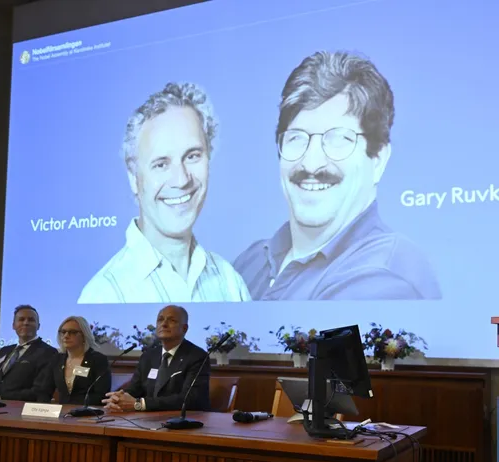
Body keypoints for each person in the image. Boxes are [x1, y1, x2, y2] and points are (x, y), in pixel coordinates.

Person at [233, 50, 441, 300]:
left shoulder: (384, 275)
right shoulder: (251, 261)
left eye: (338, 139)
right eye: (297, 138)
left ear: (378, 159)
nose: (311, 163)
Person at [78, 82, 251, 303]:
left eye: (192, 156)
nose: (181, 180)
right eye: (161, 164)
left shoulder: (229, 281)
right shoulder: (103, 295)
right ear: (133, 178)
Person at [103, 305, 209, 412]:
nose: (164, 324)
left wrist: (141, 404)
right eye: (160, 320)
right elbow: (134, 389)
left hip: (180, 421)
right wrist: (119, 398)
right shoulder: (148, 355)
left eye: (171, 320)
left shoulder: (197, 357)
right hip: (147, 419)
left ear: (184, 328)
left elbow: (189, 398)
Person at [0, 305, 56, 401]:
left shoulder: (48, 352)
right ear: (13, 325)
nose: (26, 323)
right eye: (21, 319)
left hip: (18, 409)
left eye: (31, 320)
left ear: (38, 326)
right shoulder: (5, 351)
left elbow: (39, 391)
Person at [33, 316, 111, 404]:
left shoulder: (98, 360)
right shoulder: (56, 359)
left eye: (72, 332)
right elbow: (44, 390)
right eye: (63, 332)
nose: (66, 336)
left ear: (84, 335)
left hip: (88, 413)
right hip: (62, 413)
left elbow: (101, 394)